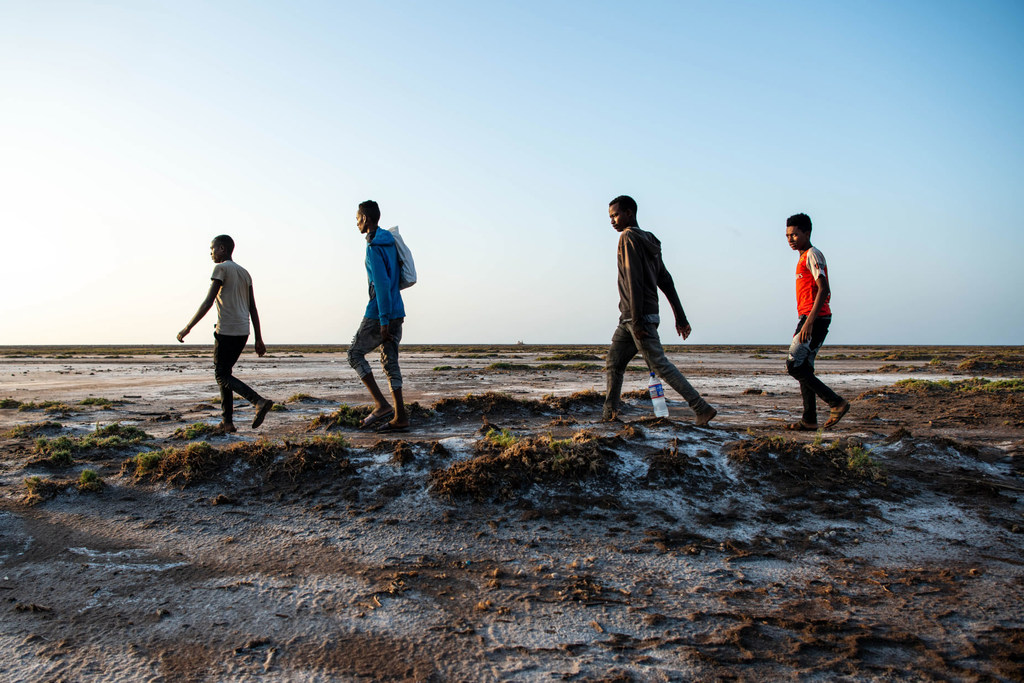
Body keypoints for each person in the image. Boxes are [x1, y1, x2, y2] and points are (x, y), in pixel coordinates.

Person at [603, 195, 717, 426]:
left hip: (636, 318)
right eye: (610, 217)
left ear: (629, 213)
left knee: (659, 365)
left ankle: (701, 407)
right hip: (631, 318)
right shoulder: (650, 240)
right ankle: (609, 415)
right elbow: (666, 280)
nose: (612, 221)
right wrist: (680, 317)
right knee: (614, 364)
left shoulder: (628, 237)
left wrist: (637, 321)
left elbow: (634, 280)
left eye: (616, 215)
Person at [177, 235, 274, 433]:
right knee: (225, 373)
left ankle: (258, 401)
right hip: (243, 331)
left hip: (227, 330)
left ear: (222, 248)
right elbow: (253, 308)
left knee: (221, 375)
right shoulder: (245, 273)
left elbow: (208, 301)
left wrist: (187, 327)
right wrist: (258, 338)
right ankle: (227, 423)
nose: (211, 253)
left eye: (212, 249)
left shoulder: (221, 268)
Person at [784, 213, 850, 430]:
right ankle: (809, 420)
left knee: (794, 365)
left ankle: (836, 402)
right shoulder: (802, 257)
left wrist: (809, 322)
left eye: (795, 234)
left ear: (807, 233)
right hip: (809, 317)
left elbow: (824, 289)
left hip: (815, 318)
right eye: (787, 236)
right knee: (805, 368)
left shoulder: (813, 254)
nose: (791, 239)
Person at [348, 200, 408, 432]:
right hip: (397, 310)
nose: (356, 223)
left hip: (380, 312)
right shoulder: (390, 241)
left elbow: (381, 284)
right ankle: (400, 416)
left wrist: (383, 320)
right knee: (390, 361)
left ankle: (381, 405)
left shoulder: (373, 247)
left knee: (354, 354)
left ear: (366, 219)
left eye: (357, 219)